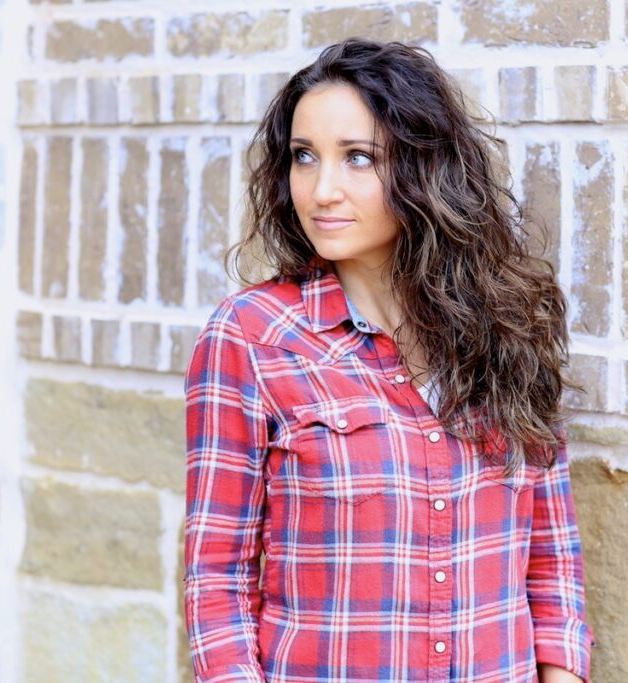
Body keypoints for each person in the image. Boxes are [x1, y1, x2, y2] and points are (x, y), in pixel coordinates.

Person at [183, 38, 595, 683]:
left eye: (358, 158)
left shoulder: (508, 326)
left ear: (425, 168)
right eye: (303, 157)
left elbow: (550, 554)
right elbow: (218, 576)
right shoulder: (251, 338)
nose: (321, 189)